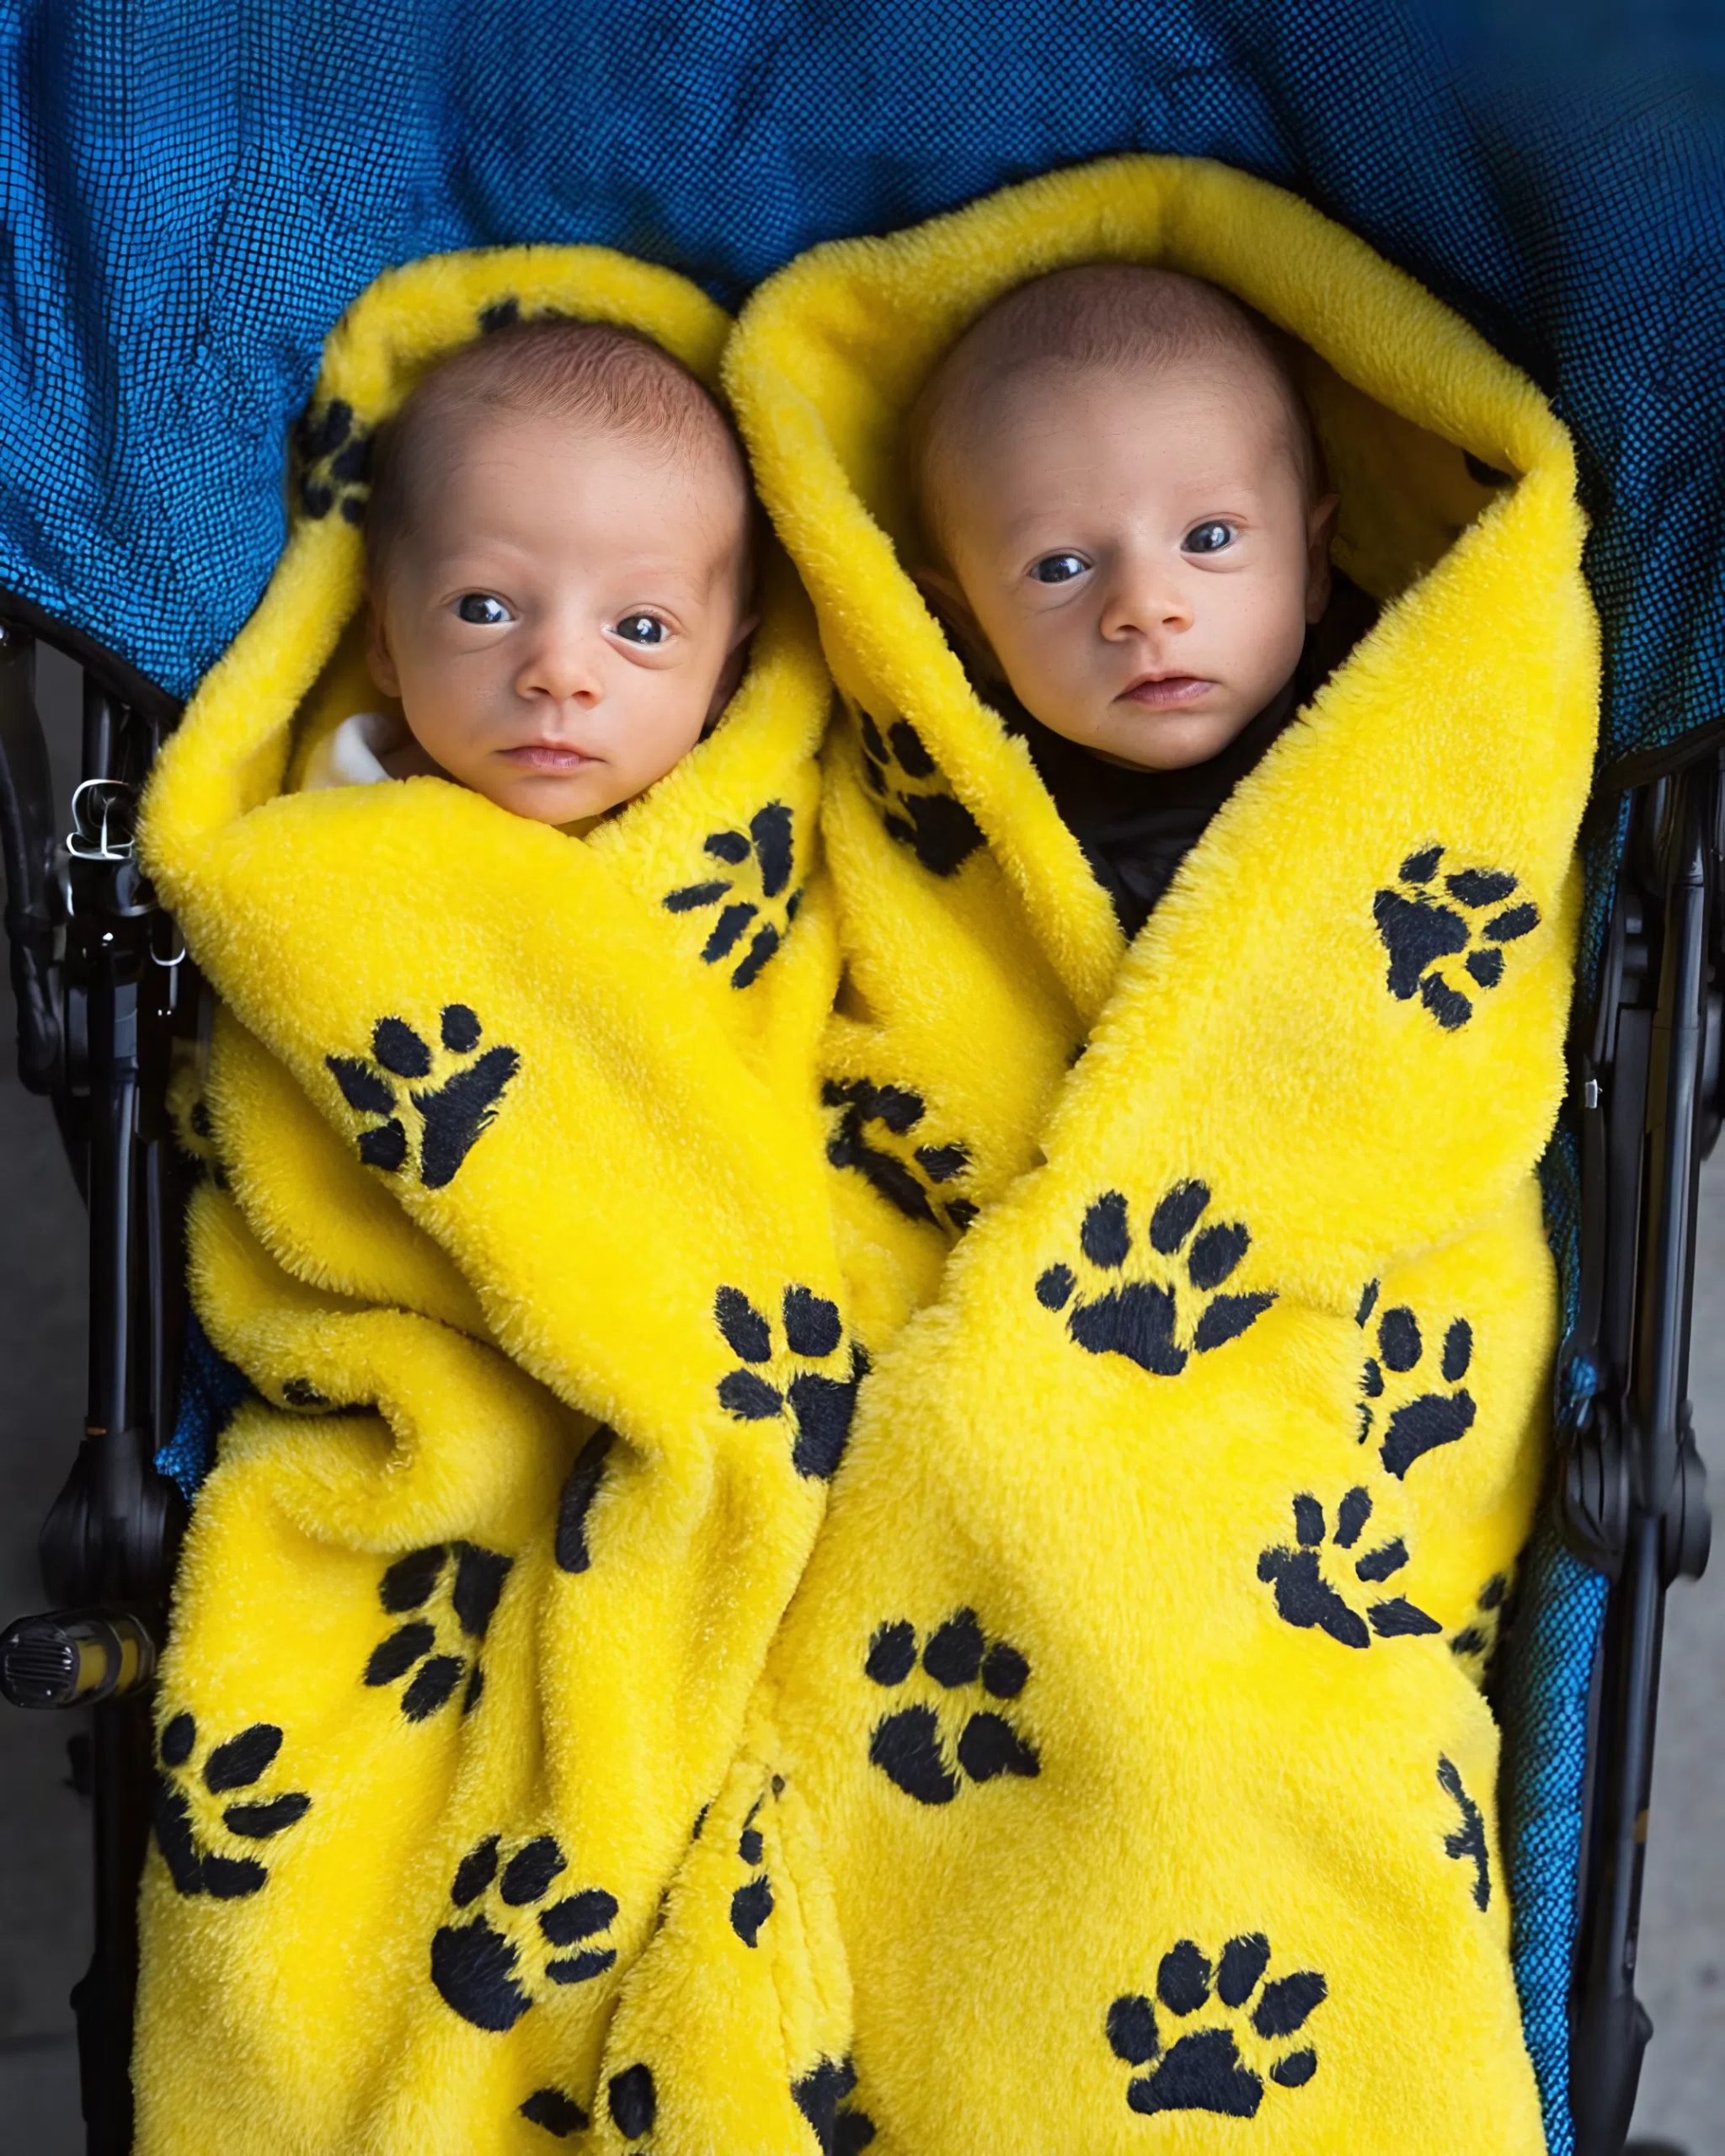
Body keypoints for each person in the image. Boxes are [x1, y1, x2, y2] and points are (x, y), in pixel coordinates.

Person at [909, 261, 1374, 938]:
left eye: (1209, 538)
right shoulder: (970, 816)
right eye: (1061, 568)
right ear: (973, 630)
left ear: (1312, 568)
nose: (1146, 606)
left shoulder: (1401, 701)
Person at [305, 315, 758, 821]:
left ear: (723, 674)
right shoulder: (340, 817)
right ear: (385, 640)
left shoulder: (730, 831)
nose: (559, 674)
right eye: (484, 610)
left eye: (642, 629)